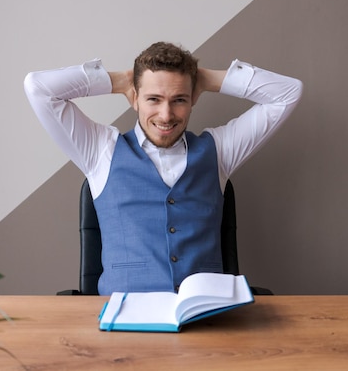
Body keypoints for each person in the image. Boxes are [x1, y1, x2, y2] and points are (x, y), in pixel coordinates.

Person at [24, 42, 302, 295]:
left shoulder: (220, 151)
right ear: (134, 98)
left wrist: (204, 79)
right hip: (123, 323)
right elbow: (38, 87)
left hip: (208, 318)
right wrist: (120, 80)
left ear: (193, 98)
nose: (166, 115)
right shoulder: (99, 151)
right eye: (153, 99)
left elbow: (287, 93)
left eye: (179, 99)